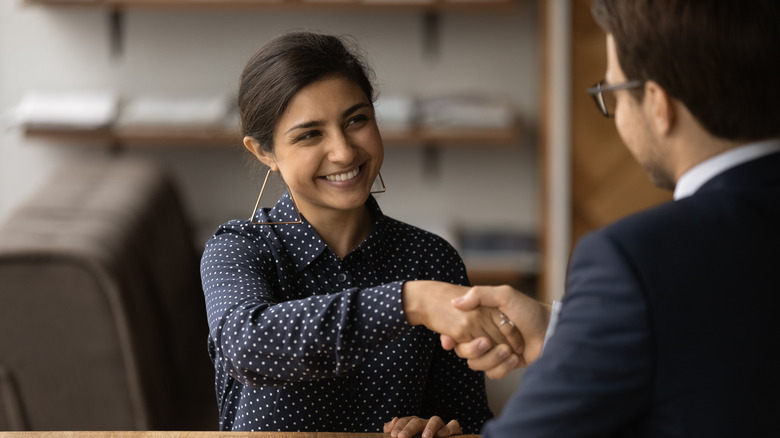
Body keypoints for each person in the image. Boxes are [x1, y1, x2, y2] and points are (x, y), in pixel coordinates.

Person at [439, 0, 780, 436]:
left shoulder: (635, 259)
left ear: (658, 104)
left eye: (613, 92)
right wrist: (568, 329)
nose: (616, 111)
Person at [200, 31, 522, 435]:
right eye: (309, 134)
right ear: (264, 152)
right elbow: (247, 345)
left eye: (356, 120)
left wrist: (439, 428)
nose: (344, 152)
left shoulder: (432, 259)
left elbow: (469, 420)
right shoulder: (238, 248)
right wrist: (411, 302)